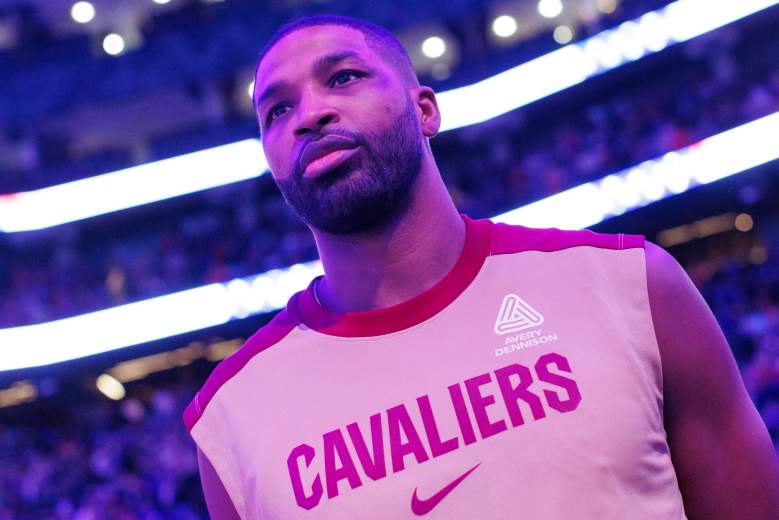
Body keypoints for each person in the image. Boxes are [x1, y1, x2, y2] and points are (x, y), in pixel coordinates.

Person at [182, 14, 779, 519]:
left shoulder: (631, 284)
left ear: (425, 112)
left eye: (343, 78)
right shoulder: (231, 419)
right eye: (277, 111)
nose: (310, 115)